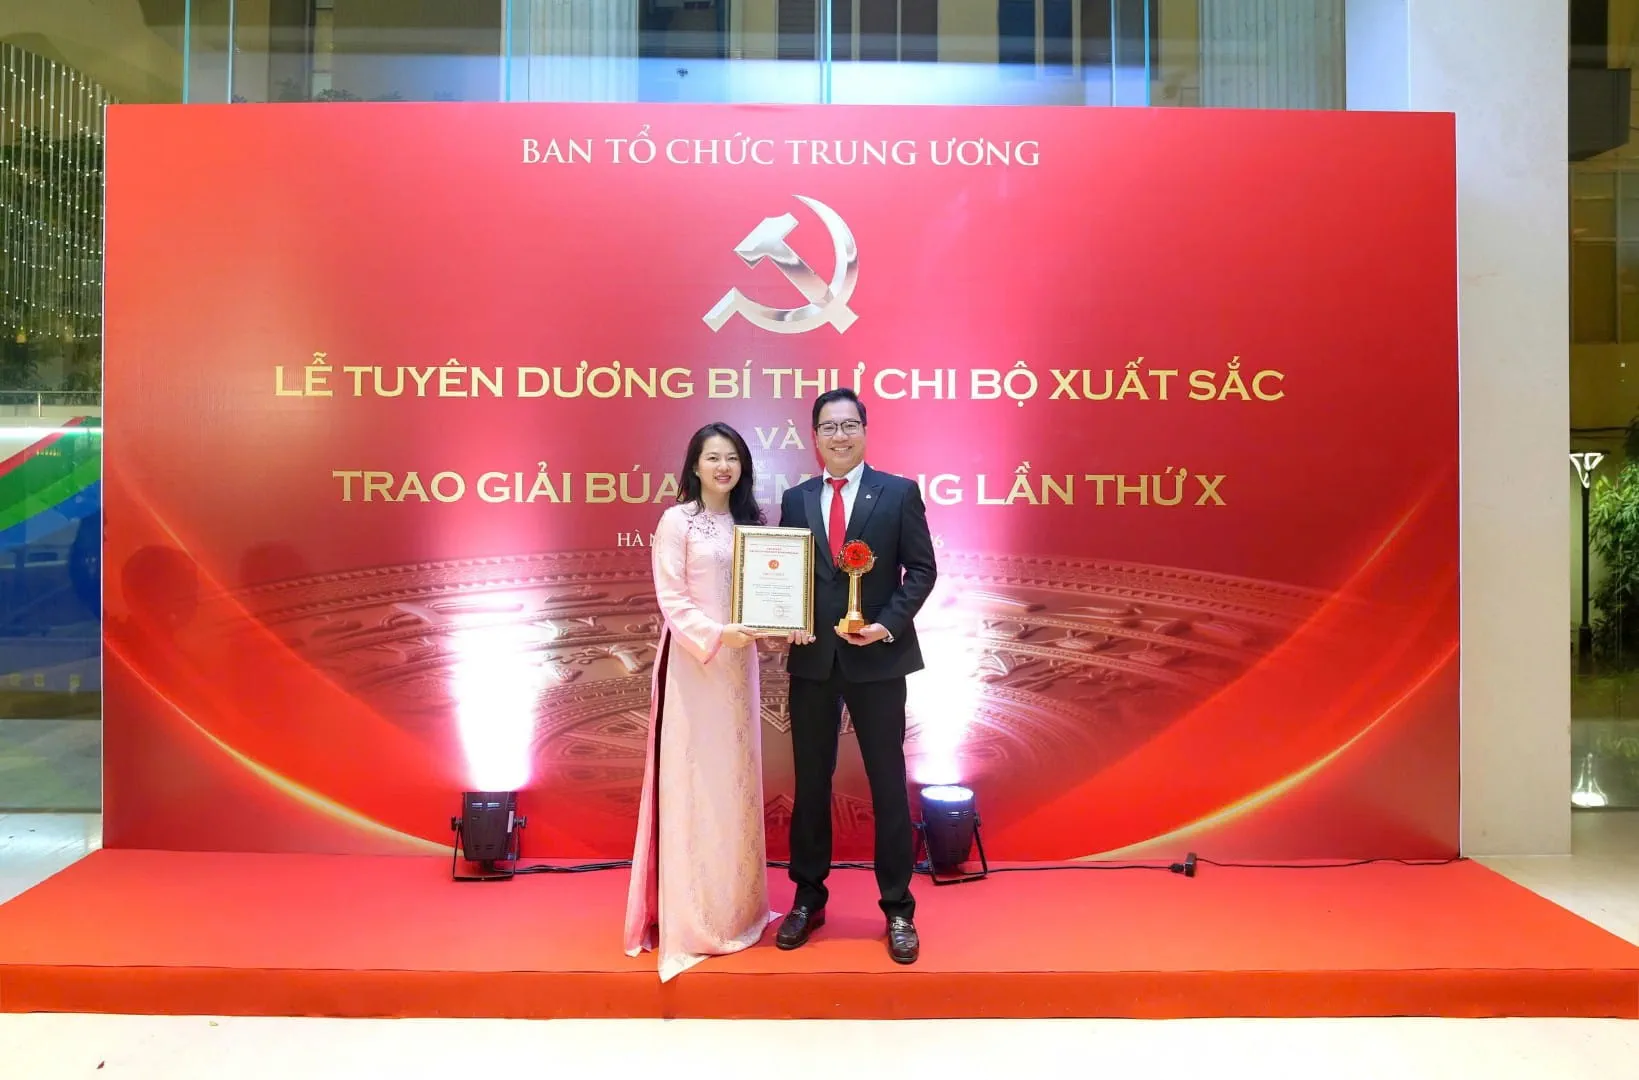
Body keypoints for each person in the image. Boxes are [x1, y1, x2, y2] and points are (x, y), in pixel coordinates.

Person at [774, 388, 938, 965]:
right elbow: (787, 574)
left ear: (865, 431)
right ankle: (807, 898)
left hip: (878, 661)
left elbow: (922, 570)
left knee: (888, 785)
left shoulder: (898, 492)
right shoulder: (796, 499)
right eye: (828, 427)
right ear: (814, 437)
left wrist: (886, 625)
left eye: (849, 425)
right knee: (810, 787)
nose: (839, 436)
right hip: (814, 662)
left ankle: (897, 907)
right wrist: (787, 619)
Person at [623, 421, 786, 981]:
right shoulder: (677, 521)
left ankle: (739, 907)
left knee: (735, 781)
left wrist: (785, 622)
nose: (723, 467)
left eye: (732, 458)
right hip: (695, 666)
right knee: (696, 781)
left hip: (739, 668)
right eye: (713, 457)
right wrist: (719, 635)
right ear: (694, 465)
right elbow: (672, 598)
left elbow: (767, 593)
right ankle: (695, 918)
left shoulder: (750, 525)